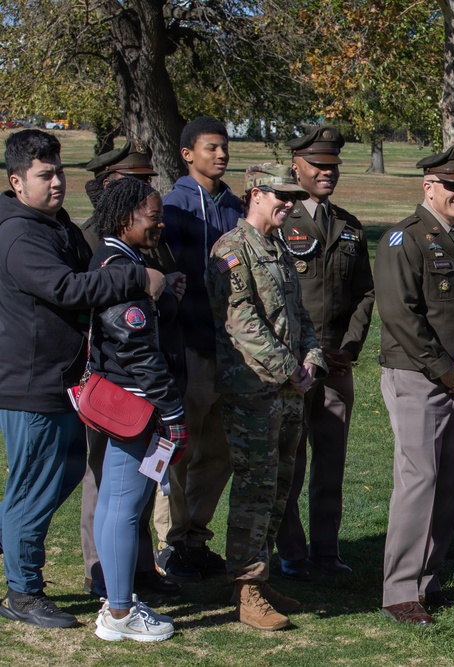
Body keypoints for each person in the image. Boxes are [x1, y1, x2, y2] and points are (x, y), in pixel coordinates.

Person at [0, 129, 163, 629]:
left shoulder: (55, 224)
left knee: (61, 476)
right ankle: (23, 592)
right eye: (44, 175)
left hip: (66, 382)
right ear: (16, 180)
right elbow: (66, 287)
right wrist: (137, 277)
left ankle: (15, 551)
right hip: (33, 385)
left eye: (59, 172)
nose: (56, 183)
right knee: (33, 487)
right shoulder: (19, 234)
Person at [374, 144, 454, 627]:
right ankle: (399, 590)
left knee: (448, 483)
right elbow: (401, 315)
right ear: (429, 187)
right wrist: (446, 368)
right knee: (419, 480)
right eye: (453, 186)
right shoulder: (405, 240)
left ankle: (426, 579)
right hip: (418, 375)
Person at [207, 163, 327, 631]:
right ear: (255, 194)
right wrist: (290, 369)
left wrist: (312, 359)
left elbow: (300, 315)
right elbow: (242, 324)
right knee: (255, 488)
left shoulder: (276, 249)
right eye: (282, 195)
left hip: (287, 391)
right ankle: (245, 587)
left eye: (293, 197)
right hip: (252, 391)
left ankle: (259, 576)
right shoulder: (233, 250)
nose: (290, 204)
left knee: (279, 488)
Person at [77, 142, 183, 600]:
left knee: (117, 505)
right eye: (152, 217)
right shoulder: (120, 267)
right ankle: (119, 608)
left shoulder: (121, 261)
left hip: (124, 397)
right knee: (122, 505)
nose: (159, 223)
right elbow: (137, 350)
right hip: (133, 404)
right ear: (125, 220)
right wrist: (173, 411)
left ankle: (118, 599)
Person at [274, 126, 375, 580]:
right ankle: (291, 552)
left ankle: (326, 552)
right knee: (289, 463)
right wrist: (299, 353)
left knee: (330, 465)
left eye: (333, 166)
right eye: (318, 165)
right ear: (296, 166)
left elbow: (365, 294)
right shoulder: (282, 219)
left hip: (336, 364)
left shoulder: (350, 225)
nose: (327, 173)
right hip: (293, 364)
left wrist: (349, 348)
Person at [158, 115, 243, 581]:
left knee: (219, 451)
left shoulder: (235, 207)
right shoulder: (174, 208)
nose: (221, 154)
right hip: (189, 347)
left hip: (230, 350)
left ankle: (195, 537)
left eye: (224, 147)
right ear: (188, 153)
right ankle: (169, 544)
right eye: (211, 148)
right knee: (179, 451)